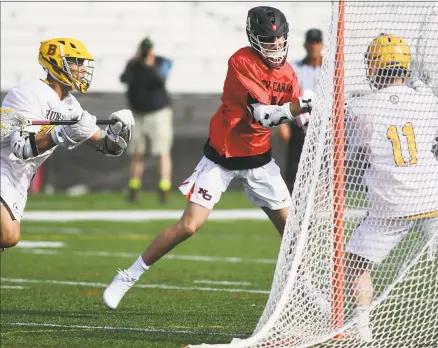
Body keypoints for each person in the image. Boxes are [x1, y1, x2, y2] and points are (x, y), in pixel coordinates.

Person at [102, 6, 314, 310]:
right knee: (188, 226)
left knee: (291, 230)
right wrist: (298, 108)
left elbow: (296, 115)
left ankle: (304, 289)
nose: (277, 46)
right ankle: (127, 276)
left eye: (280, 40)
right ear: (254, 39)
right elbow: (263, 115)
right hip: (223, 158)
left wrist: (310, 118)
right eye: (270, 41)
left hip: (260, 161)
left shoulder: (288, 72)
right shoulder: (241, 62)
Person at [345, 33, 438, 343]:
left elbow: (356, 148)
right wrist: (434, 103)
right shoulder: (425, 98)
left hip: (390, 203)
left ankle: (362, 332)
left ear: (374, 68)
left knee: (358, 266)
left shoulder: (362, 107)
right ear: (404, 66)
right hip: (432, 196)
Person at [0, 37, 135, 251]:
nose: (81, 69)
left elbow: (107, 146)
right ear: (55, 62)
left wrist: (119, 133)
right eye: (75, 62)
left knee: (6, 238)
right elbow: (21, 147)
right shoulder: (28, 93)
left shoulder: (71, 106)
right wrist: (60, 134)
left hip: (19, 177)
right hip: (4, 168)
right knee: (7, 236)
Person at [120, 37, 174, 203]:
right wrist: (136, 62)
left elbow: (161, 79)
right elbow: (124, 79)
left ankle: (164, 187)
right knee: (137, 152)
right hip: (139, 113)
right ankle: (134, 187)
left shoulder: (160, 62)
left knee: (162, 152)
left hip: (158, 113)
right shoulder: (133, 64)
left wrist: (150, 65)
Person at [278, 28, 323, 193]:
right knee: (294, 165)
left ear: (322, 45)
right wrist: (282, 124)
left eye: (316, 42)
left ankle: (319, 203)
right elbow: (284, 95)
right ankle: (293, 203)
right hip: (298, 123)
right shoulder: (295, 67)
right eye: (311, 42)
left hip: (322, 123)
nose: (313, 46)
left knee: (322, 165)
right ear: (305, 44)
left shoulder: (328, 68)